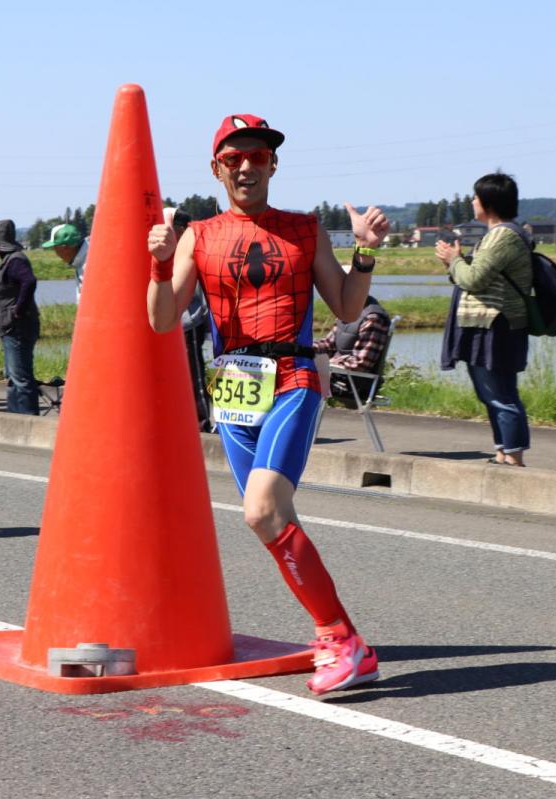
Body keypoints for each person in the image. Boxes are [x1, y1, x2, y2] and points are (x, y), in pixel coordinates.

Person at [146, 114, 390, 695]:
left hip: (292, 377)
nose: (247, 167)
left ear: (274, 164)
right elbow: (160, 319)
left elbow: (347, 308)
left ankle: (341, 639)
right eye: (234, 159)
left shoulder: (304, 229)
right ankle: (345, 643)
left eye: (258, 156)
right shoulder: (199, 236)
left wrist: (365, 252)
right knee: (274, 520)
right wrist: (159, 262)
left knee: (260, 511)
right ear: (216, 169)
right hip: (233, 389)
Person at [436, 173, 533, 466]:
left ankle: (513, 455)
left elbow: (473, 279)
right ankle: (503, 452)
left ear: (488, 203)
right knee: (491, 393)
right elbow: (478, 276)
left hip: (496, 325)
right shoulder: (497, 235)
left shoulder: (503, 236)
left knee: (500, 392)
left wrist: (453, 260)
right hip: (487, 324)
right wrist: (457, 262)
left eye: (476, 197)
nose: (472, 201)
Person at [0, 219, 39, 415]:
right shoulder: (10, 261)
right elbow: (6, 291)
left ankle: (30, 420)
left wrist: (18, 311)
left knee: (21, 378)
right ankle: (15, 419)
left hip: (17, 328)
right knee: (13, 377)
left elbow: (29, 282)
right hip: (10, 327)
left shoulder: (15, 260)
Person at [167, 207, 213, 432]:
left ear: (182, 229)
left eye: (171, 228)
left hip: (189, 322)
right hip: (168, 324)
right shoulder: (166, 252)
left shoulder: (193, 250)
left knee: (194, 375)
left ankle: (202, 423)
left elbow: (201, 294)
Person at [310, 294, 392, 409]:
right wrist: (303, 349)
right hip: (337, 375)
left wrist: (328, 363)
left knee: (300, 380)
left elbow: (360, 364)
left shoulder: (373, 319)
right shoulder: (347, 312)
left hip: (354, 385)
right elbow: (329, 345)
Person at [42, 222, 88, 300]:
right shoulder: (81, 260)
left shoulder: (88, 265)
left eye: (55, 249)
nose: (57, 254)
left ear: (64, 248)